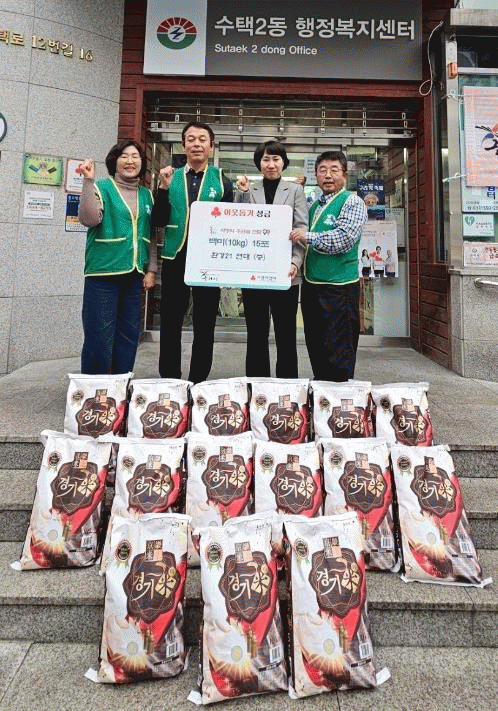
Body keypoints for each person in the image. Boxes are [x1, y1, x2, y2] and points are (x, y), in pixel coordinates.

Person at [155, 122, 233, 383]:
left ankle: (198, 382)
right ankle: (170, 381)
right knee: (170, 322)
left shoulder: (222, 180)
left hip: (207, 261)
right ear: (183, 145)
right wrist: (163, 189)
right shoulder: (170, 177)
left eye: (202, 139)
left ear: (211, 146)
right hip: (174, 257)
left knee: (205, 324)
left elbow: (230, 224)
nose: (196, 144)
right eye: (191, 139)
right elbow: (158, 220)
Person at [77, 140, 159, 375]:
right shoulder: (102, 186)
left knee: (128, 334)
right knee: (99, 334)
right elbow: (88, 219)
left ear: (142, 163)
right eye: (124, 156)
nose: (130, 161)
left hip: (134, 274)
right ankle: (98, 388)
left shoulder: (147, 194)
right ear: (114, 161)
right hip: (103, 272)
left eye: (135, 156)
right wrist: (88, 181)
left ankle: (121, 383)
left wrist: (151, 269)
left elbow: (151, 233)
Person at [290, 150, 368, 382]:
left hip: (339, 287)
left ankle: (339, 396)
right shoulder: (314, 205)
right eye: (322, 170)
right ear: (315, 175)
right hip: (312, 285)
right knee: (316, 343)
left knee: (339, 347)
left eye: (334, 170)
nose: (328, 175)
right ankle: (322, 392)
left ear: (344, 174)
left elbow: (343, 239)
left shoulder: (353, 202)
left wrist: (307, 236)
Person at [235, 140, 307, 377]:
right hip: (254, 274)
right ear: (259, 164)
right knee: (256, 333)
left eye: (276, 159)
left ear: (283, 163)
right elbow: (237, 222)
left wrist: (296, 262)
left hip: (286, 273)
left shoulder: (295, 191)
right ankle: (257, 386)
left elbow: (301, 228)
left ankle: (287, 387)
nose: (271, 164)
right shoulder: (249, 189)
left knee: (286, 333)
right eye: (266, 159)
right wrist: (242, 193)